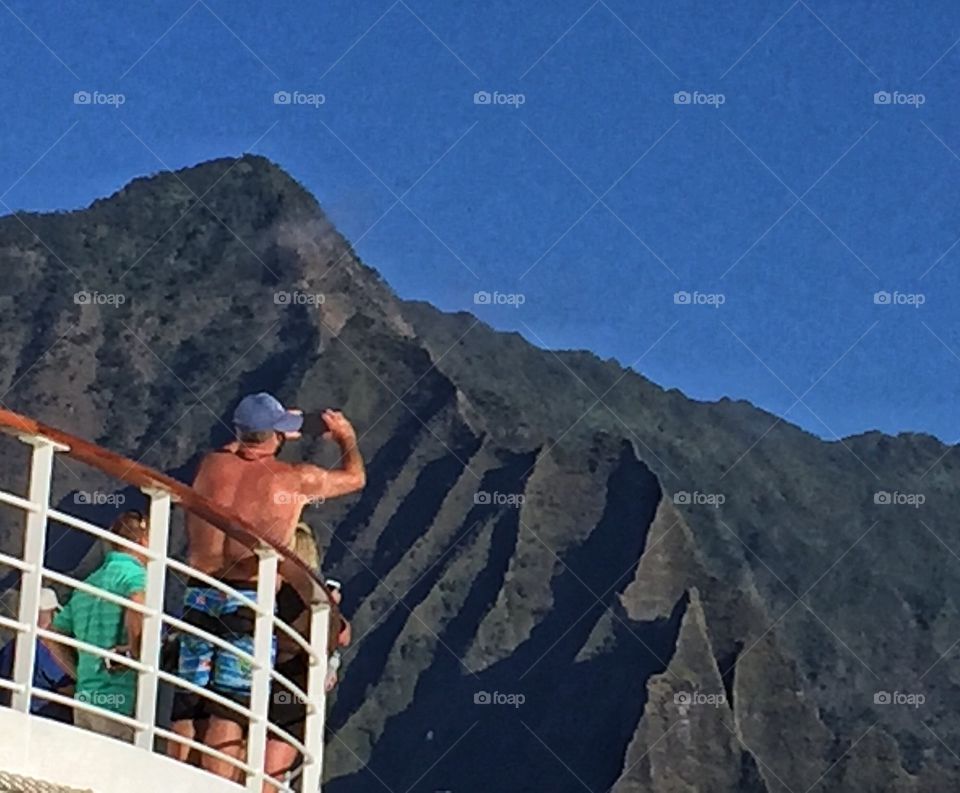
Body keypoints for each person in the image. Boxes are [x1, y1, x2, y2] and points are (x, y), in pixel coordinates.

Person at [170, 392, 365, 779]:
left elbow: (233, 451)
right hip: (247, 598)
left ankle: (172, 782)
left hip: (200, 591)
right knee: (230, 706)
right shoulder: (294, 479)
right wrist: (346, 437)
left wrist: (261, 431)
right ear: (276, 434)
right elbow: (355, 478)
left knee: (190, 701)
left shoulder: (209, 466)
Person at [263, 524, 351, 790]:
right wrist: (331, 607)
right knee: (273, 767)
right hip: (294, 684)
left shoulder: (266, 589)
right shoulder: (310, 600)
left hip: (258, 678)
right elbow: (342, 636)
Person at [49, 511, 149, 742]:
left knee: (85, 772)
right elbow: (137, 603)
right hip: (121, 699)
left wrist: (78, 673)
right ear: (144, 541)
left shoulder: (88, 584)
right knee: (119, 772)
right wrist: (136, 652)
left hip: (85, 698)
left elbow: (52, 636)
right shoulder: (136, 576)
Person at [0, 587, 74, 722]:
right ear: (52, 614)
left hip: (11, 713)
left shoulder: (13, 645)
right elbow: (66, 687)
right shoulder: (45, 648)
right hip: (45, 719)